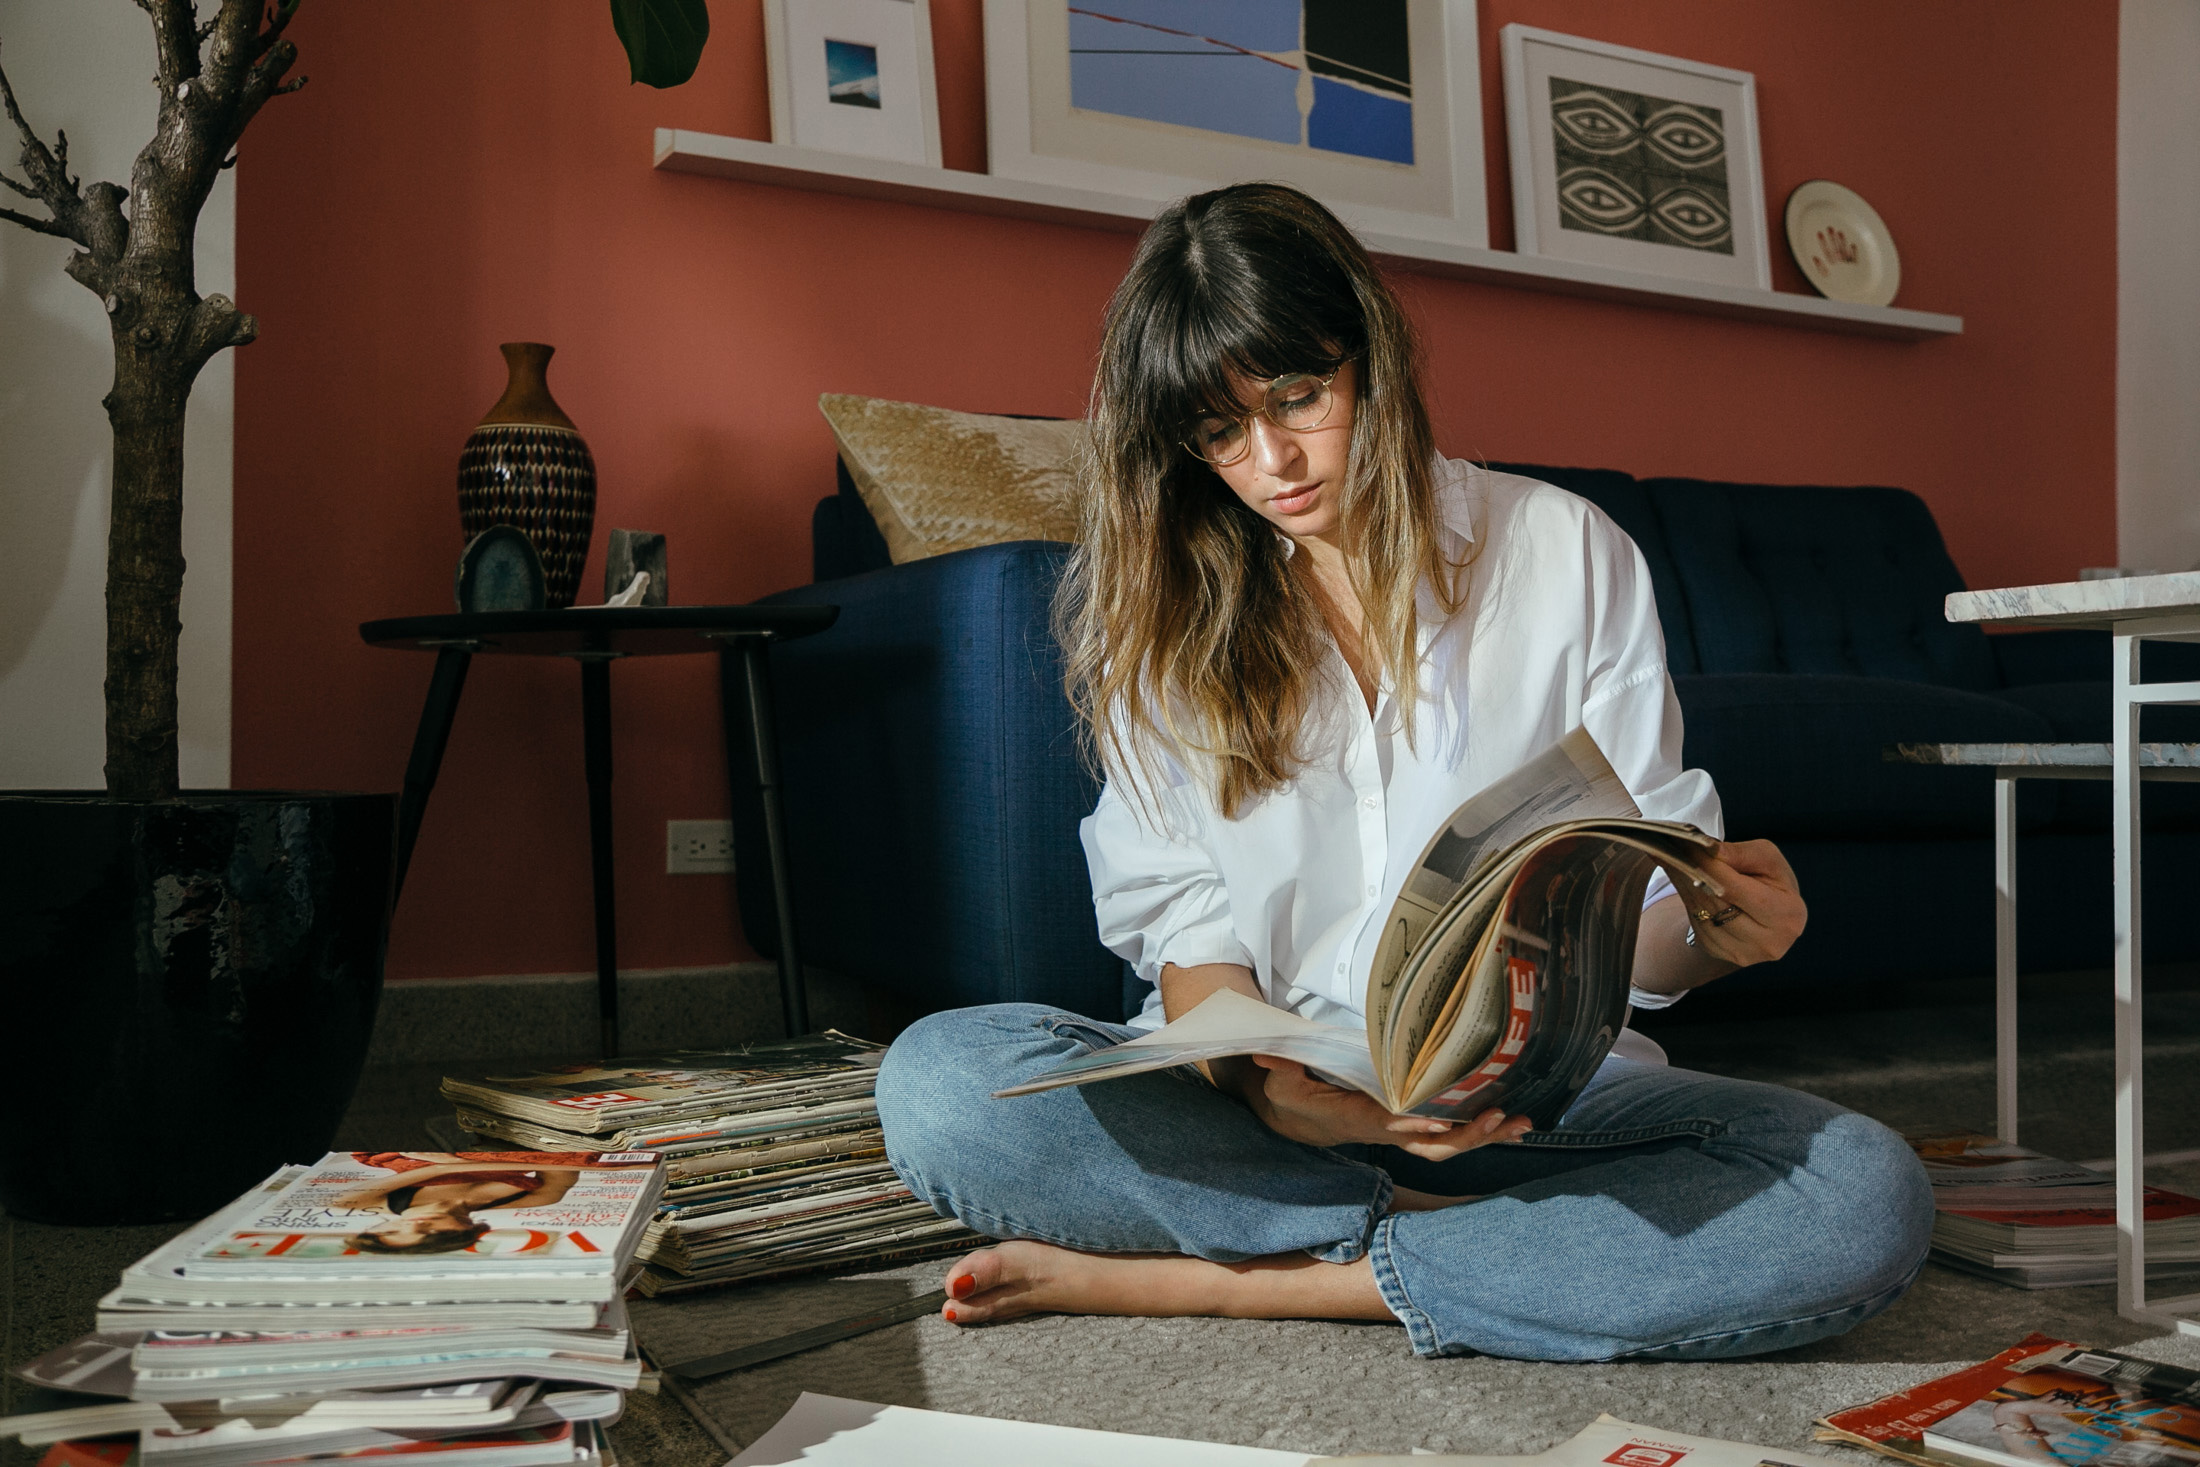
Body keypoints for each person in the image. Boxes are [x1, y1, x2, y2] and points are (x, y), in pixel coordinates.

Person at [874, 183, 1933, 1361]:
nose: (1272, 461)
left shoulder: (1565, 552)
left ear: (1368, 358)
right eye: (1219, 433)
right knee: (940, 1084)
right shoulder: (1164, 621)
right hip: (1279, 1109)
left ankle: (1240, 1281)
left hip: (1547, 1109)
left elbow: (1642, 918)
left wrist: (1720, 928)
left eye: (1298, 397)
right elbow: (1188, 935)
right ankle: (1505, 1255)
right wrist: (1270, 1089)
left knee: (1857, 1189)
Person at [337, 1151, 637, 1255]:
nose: (420, 1225)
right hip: (515, 1140)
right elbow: (562, 1166)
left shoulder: (363, 1201)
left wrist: (448, 1163)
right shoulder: (533, 1200)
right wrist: (453, 1163)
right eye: (433, 1234)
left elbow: (440, 1164)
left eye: (391, 1232)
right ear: (464, 1230)